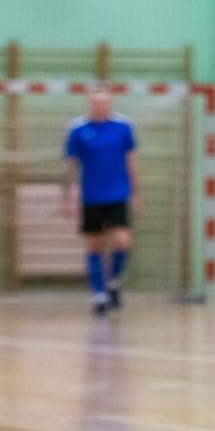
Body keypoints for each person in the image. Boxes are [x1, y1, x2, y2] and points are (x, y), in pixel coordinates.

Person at [61, 88, 139, 316]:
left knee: (122, 241)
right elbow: (70, 166)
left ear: (110, 104)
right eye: (96, 103)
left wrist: (136, 191)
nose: (100, 107)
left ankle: (113, 281)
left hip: (118, 194)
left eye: (104, 103)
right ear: (90, 104)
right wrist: (66, 197)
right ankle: (99, 294)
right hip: (91, 197)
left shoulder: (122, 128)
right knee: (94, 245)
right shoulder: (78, 130)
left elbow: (130, 161)